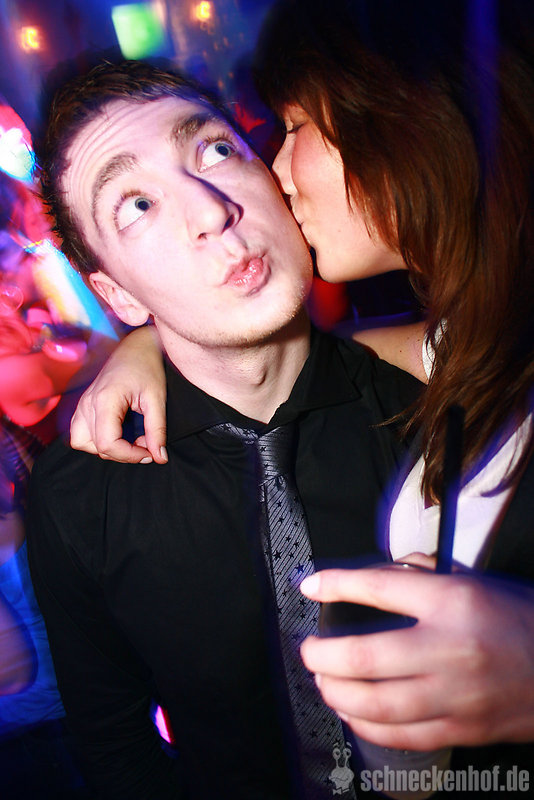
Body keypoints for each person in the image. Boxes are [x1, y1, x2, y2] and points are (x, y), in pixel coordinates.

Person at [70, 0, 534, 785]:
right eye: (138, 205)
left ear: (405, 112)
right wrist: (157, 335)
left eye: (293, 127)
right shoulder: (475, 345)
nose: (277, 172)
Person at [27, 59, 421, 799]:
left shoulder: (433, 413)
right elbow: (113, 739)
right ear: (115, 294)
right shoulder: (79, 497)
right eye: (137, 204)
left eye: (214, 151)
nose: (210, 211)